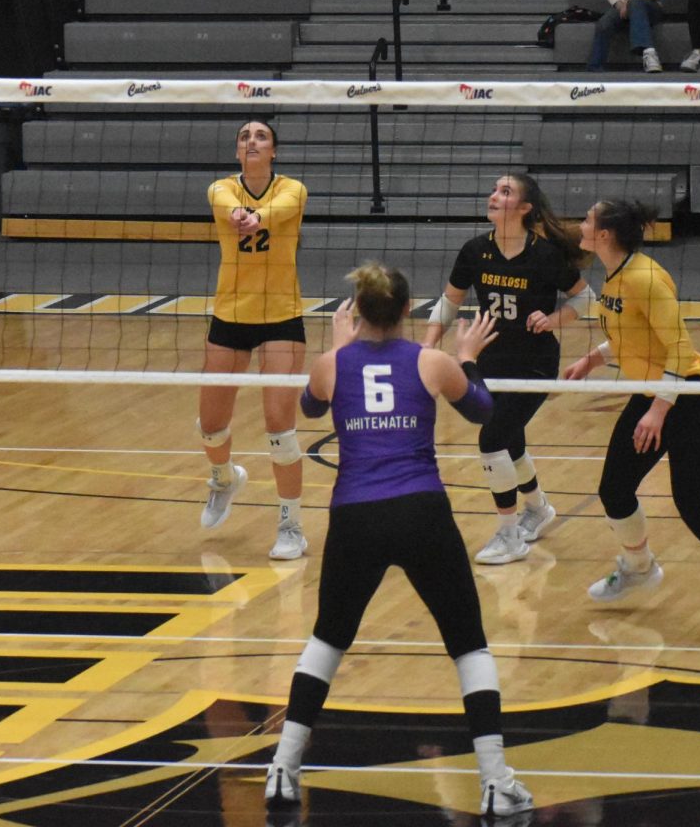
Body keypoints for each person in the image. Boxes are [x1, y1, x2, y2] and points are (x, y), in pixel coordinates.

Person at [265, 263, 533, 819]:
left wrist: (339, 350)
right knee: (469, 644)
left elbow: (310, 408)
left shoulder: (330, 364)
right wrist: (467, 358)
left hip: (355, 515)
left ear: (357, 313)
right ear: (409, 311)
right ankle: (495, 781)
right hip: (421, 512)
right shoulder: (430, 362)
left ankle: (282, 769)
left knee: (328, 639)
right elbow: (484, 410)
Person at [564, 199, 700, 633]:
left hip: (686, 397)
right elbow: (634, 334)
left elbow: (678, 348)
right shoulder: (614, 277)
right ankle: (639, 568)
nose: (581, 223)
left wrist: (657, 410)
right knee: (614, 490)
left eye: (589, 219)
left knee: (693, 506)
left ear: (605, 235)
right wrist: (595, 359)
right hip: (655, 394)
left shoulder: (645, 278)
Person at [424, 173, 595, 564]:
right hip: (490, 360)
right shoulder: (474, 251)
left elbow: (586, 299)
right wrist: (427, 345)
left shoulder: (546, 255)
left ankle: (509, 534)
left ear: (524, 208)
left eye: (506, 192)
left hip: (534, 363)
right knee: (509, 436)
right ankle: (538, 508)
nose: (494, 197)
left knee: (492, 438)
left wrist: (553, 320)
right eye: (494, 190)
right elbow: (449, 302)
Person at [197, 119, 308, 561]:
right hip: (231, 314)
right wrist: (239, 214)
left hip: (282, 315)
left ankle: (291, 525)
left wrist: (255, 216)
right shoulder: (219, 188)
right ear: (237, 151)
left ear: (274, 151)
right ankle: (224, 477)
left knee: (280, 429)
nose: (252, 142)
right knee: (210, 427)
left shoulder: (293, 189)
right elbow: (226, 204)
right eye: (245, 137)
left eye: (261, 137)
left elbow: (278, 211)